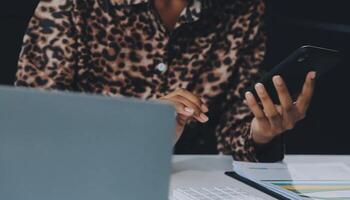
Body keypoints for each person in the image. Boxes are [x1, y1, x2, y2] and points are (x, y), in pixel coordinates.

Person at [15, 0, 315, 162]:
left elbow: (233, 136)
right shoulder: (70, 5)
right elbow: (30, 130)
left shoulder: (242, 9)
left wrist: (260, 133)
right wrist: (140, 124)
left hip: (191, 185)